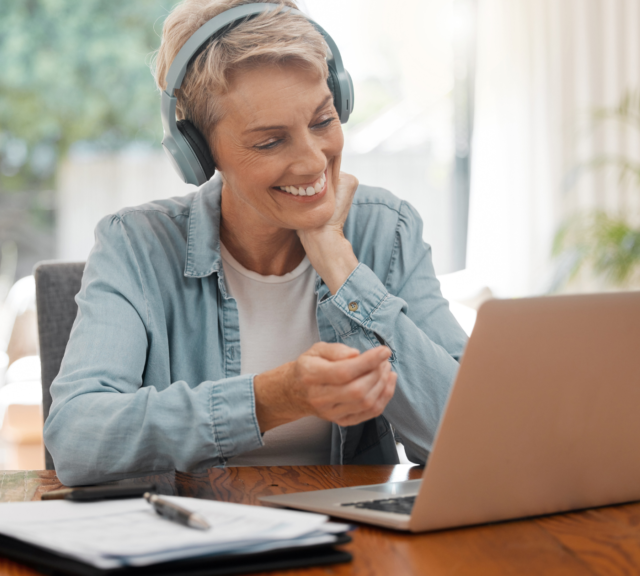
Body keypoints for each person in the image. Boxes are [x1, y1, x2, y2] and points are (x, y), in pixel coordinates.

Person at [43, 0, 467, 486]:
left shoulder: (384, 229)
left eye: (323, 121)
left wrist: (342, 267)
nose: (313, 163)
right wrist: (270, 399)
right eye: (270, 142)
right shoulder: (136, 246)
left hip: (350, 546)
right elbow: (77, 440)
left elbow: (471, 436)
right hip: (197, 544)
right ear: (199, 154)